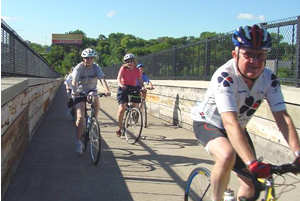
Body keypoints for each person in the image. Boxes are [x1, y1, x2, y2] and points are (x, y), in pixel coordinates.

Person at [191, 25, 300, 201]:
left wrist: (298, 153)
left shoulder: (269, 79)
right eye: (248, 54)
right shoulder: (225, 77)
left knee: (252, 185)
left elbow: (283, 119)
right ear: (235, 55)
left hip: (238, 128)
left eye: (260, 56)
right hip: (209, 123)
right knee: (227, 155)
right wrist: (252, 163)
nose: (255, 61)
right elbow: (229, 122)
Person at [71, 48, 111, 154]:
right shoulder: (78, 67)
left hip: (91, 90)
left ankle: (94, 121)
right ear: (83, 59)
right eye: (86, 58)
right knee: (80, 118)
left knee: (96, 98)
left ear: (93, 59)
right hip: (79, 91)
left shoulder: (96, 67)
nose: (88, 60)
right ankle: (79, 142)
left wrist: (107, 90)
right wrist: (74, 92)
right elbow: (74, 81)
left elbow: (102, 78)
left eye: (91, 58)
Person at [116, 53, 144, 137]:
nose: (130, 63)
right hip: (124, 88)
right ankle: (119, 127)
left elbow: (139, 80)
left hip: (133, 88)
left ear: (134, 61)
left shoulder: (137, 70)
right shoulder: (123, 68)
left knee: (136, 106)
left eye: (131, 61)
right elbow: (118, 78)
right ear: (125, 62)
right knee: (122, 108)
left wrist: (143, 87)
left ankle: (133, 115)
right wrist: (121, 85)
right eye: (127, 61)